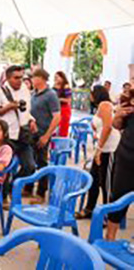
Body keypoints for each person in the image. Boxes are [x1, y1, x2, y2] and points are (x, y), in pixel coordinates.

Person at [75, 86, 120, 219]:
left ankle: (107, 215)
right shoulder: (101, 106)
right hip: (102, 146)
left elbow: (108, 128)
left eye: (91, 93)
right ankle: (89, 208)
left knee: (106, 184)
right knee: (94, 179)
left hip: (109, 148)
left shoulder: (104, 105)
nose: (90, 96)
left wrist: (99, 150)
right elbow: (101, 127)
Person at [0, 65, 37, 198]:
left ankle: (11, 186)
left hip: (23, 134)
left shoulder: (25, 89)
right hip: (8, 135)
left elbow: (26, 111)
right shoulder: (0, 90)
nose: (19, 80)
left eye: (21, 78)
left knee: (30, 166)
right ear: (7, 78)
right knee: (6, 168)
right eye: (16, 78)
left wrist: (31, 120)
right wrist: (9, 107)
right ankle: (3, 196)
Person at [29, 68, 61, 204]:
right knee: (31, 161)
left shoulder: (51, 95)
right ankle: (28, 187)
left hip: (43, 134)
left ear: (41, 78)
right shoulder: (33, 94)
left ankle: (41, 193)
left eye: (33, 77)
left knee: (42, 163)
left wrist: (47, 136)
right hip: (32, 134)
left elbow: (57, 117)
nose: (31, 80)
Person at [106, 95, 134, 240]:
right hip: (125, 160)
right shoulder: (129, 102)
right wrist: (117, 115)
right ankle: (110, 238)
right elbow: (116, 125)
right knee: (117, 200)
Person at [53, 71, 72, 137]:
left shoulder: (65, 86)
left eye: (57, 77)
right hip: (56, 109)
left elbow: (68, 100)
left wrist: (59, 99)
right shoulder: (54, 87)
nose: (56, 79)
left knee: (63, 128)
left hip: (64, 109)